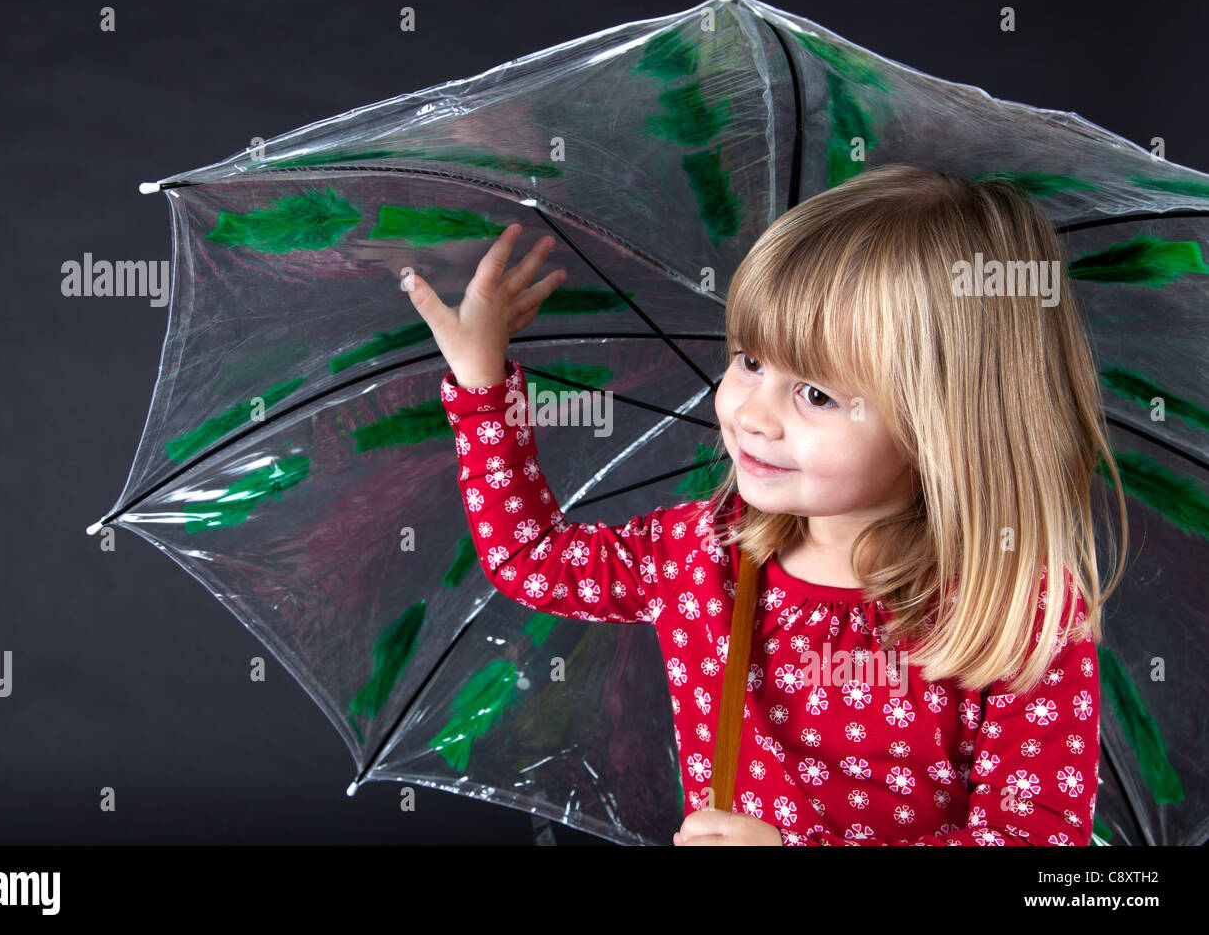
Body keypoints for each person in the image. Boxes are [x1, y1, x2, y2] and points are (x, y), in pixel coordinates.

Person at [401, 162, 1128, 846]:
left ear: (948, 424)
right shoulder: (702, 554)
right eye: (749, 360)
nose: (752, 414)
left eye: (814, 394)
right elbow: (533, 560)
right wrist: (481, 383)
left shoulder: (1015, 615)